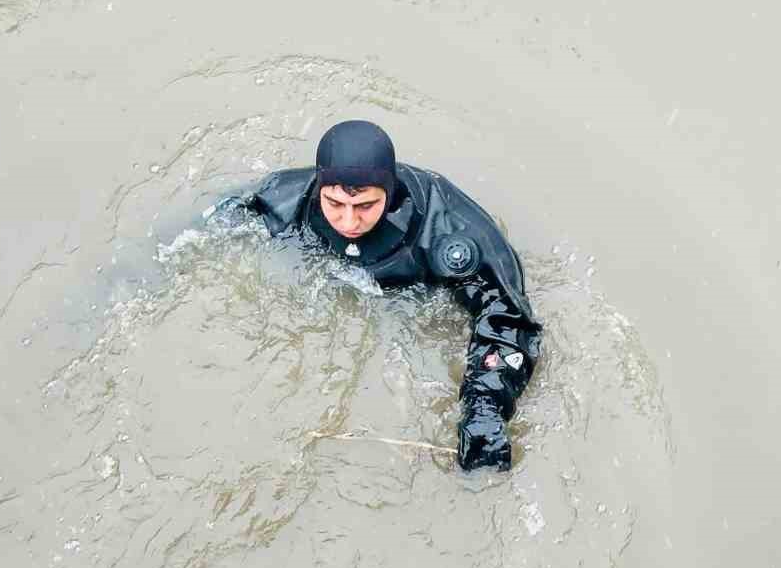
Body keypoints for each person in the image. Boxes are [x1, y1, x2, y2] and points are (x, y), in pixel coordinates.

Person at [223, 120, 542, 471]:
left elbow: (507, 319)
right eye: (334, 203)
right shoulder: (285, 199)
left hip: (415, 302)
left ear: (388, 193)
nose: (348, 222)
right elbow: (206, 226)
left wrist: (485, 406)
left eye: (365, 206)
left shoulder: (449, 232)